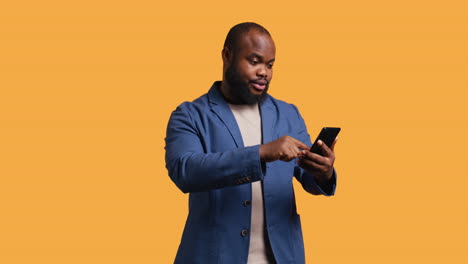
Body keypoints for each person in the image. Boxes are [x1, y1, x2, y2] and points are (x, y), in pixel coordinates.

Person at [165, 22, 338, 264]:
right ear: (227, 56)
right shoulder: (190, 114)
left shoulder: (288, 114)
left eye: (270, 65)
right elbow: (185, 170)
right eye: (254, 61)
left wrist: (324, 171)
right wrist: (261, 153)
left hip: (282, 257)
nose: (264, 72)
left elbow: (308, 177)